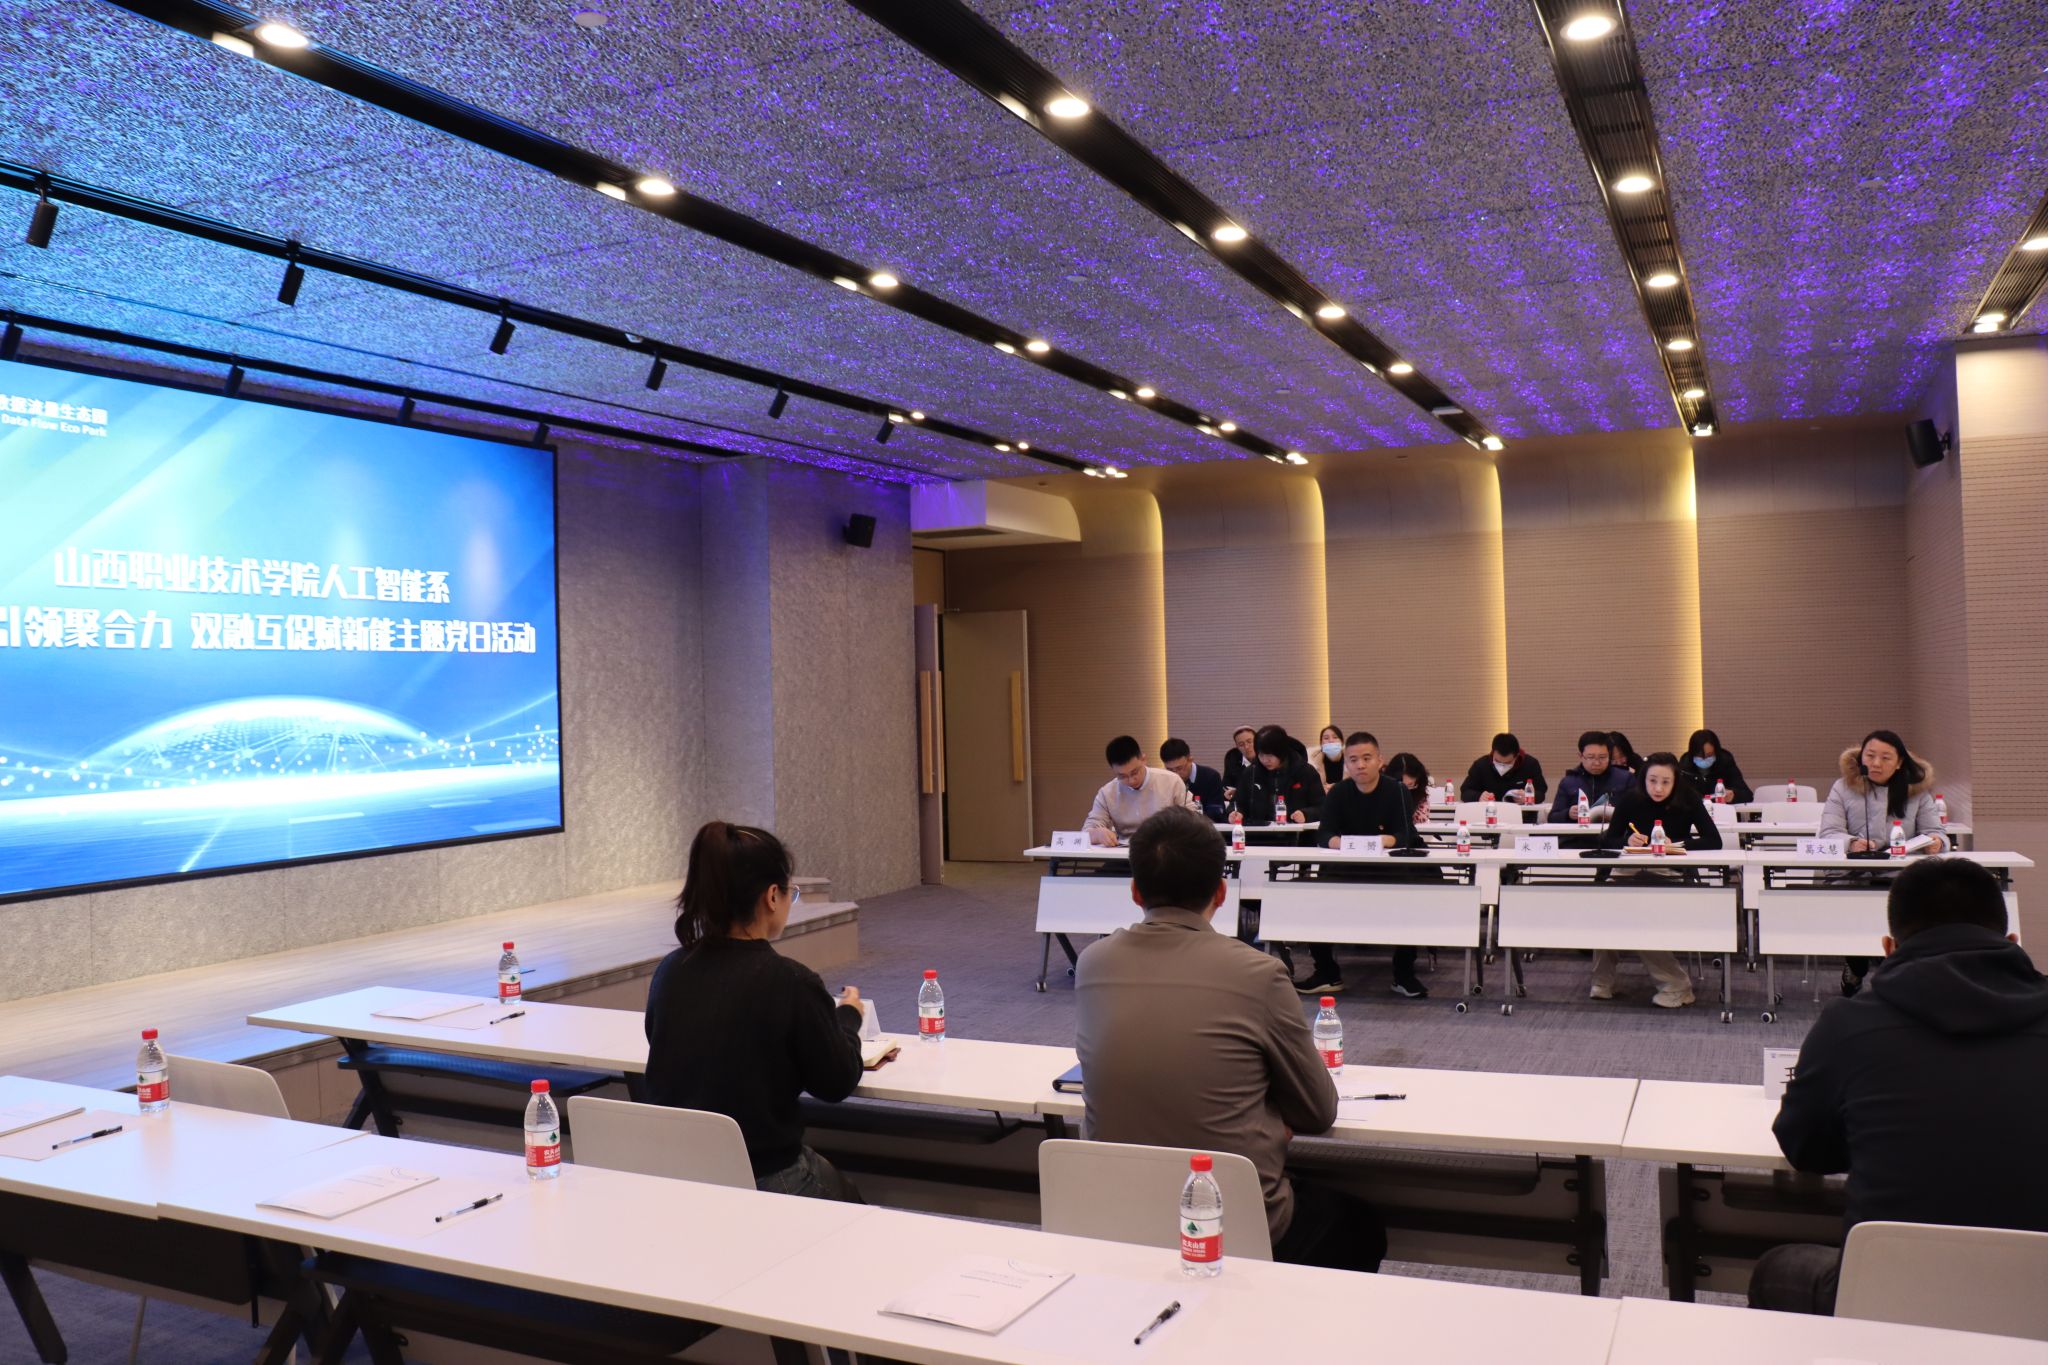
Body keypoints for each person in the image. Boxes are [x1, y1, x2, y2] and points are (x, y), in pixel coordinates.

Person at [1074, 806, 1386, 1272]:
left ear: (1135, 891)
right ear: (1221, 893)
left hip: (1117, 1218)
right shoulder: (1258, 973)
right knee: (1360, 1226)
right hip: (1230, 1226)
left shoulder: (1093, 964)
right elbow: (1318, 1112)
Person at [1749, 857, 2048, 1316]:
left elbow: (1806, 1150)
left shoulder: (1848, 1024)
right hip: (2036, 1301)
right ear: (2011, 942)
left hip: (1889, 1298)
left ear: (1888, 948)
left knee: (1775, 1268)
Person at [644, 822, 865, 1201]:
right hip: (766, 1174)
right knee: (858, 1217)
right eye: (790, 893)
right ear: (772, 897)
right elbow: (835, 1082)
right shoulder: (790, 981)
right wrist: (848, 1017)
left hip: (681, 1174)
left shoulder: (670, 970)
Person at [1296, 731, 1427, 999]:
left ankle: (1404, 974)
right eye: (1353, 760)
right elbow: (1323, 834)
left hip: (1388, 871)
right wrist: (1345, 843)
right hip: (1346, 868)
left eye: (1367, 758)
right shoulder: (1338, 792)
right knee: (1312, 897)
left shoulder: (1397, 790)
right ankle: (1327, 973)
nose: (1360, 765)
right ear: (1346, 764)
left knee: (1411, 898)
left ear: (1380, 760)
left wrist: (1383, 841)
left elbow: (1408, 835)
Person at [1821, 730, 1949, 995]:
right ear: (1861, 757)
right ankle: (1855, 964)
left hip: (1900, 877)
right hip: (1853, 875)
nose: (1876, 763)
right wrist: (1851, 843)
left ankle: (1894, 973)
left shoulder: (1917, 790)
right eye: (1870, 756)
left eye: (1885, 758)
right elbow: (1829, 833)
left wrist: (1936, 842)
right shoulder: (1843, 787)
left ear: (1899, 762)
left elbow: (1936, 832)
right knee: (1855, 913)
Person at [1593, 752, 1724, 1008]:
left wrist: (1676, 844)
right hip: (1629, 871)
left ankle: (1676, 985)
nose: (1658, 788)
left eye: (1665, 782)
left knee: (1640, 917)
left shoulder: (1688, 799)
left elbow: (1713, 840)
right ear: (1643, 779)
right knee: (1607, 912)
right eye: (1652, 781)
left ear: (1675, 781)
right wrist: (1626, 840)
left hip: (1669, 872)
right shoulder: (1630, 799)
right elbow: (1608, 840)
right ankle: (1602, 981)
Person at [1084, 735, 1198, 846]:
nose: (1131, 780)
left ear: (1143, 759)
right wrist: (1097, 834)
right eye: (1122, 776)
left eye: (1135, 772)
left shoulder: (1171, 781)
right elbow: (1086, 832)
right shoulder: (1107, 793)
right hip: (1124, 852)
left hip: (1166, 849)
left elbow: (1193, 820)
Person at [1235, 725, 1324, 827]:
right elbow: (1237, 804)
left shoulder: (1305, 772)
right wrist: (1235, 813)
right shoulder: (1251, 773)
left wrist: (1306, 814)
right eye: (1261, 755)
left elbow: (1322, 807)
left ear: (1281, 751)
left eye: (1270, 755)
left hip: (1297, 833)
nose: (1265, 760)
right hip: (1259, 833)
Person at [1548, 729, 1633, 825]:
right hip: (1579, 833)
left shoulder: (1625, 778)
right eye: (1591, 757)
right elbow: (1552, 818)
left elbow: (1636, 812)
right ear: (1580, 756)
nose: (1597, 763)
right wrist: (1568, 814)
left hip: (1613, 831)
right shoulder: (1569, 781)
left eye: (1602, 757)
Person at [1459, 732, 1547, 804]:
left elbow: (1541, 792)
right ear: (1493, 752)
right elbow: (1465, 792)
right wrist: (1479, 796)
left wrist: (1529, 797)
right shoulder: (1481, 765)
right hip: (1488, 815)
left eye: (1508, 763)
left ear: (1516, 756)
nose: (1502, 766)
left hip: (1523, 816)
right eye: (1497, 761)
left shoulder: (1530, 764)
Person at [1160, 736, 1227, 820]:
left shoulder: (1211, 776)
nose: (1175, 774)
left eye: (1179, 768)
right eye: (1170, 770)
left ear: (1190, 760)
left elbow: (1216, 813)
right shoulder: (1164, 780)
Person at [1680, 728, 1753, 805]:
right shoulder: (1685, 768)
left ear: (1716, 752)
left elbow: (1747, 795)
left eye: (1709, 755)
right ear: (1692, 754)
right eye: (1700, 755)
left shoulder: (1725, 763)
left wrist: (1734, 796)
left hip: (1722, 810)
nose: (1704, 759)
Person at [1385, 752, 1434, 826]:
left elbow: (1422, 819)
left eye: (1410, 785)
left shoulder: (1419, 794)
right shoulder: (1383, 793)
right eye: (1402, 785)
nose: (1406, 790)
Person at [1222, 726, 1258, 806]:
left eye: (1249, 742)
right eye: (1241, 744)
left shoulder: (1266, 758)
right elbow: (1226, 784)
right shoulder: (1232, 757)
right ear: (1237, 747)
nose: (1246, 747)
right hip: (1240, 804)